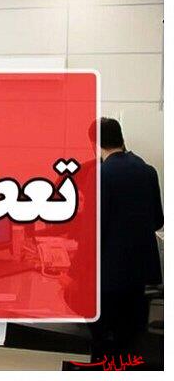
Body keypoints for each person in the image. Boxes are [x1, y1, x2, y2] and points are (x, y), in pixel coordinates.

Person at [90, 117, 163, 358]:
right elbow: (158, 221)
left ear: (95, 144)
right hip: (141, 277)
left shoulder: (102, 175)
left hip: (109, 278)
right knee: (131, 341)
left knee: (103, 341)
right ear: (121, 138)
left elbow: (95, 229)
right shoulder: (148, 171)